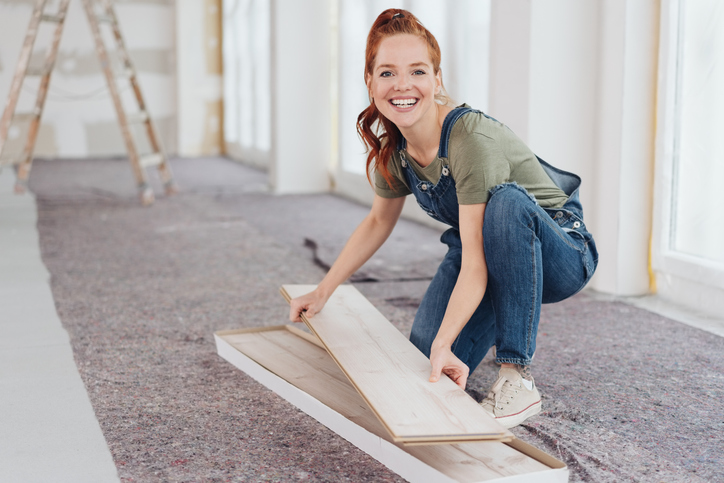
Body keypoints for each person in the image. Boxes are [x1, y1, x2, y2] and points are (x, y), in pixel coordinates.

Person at [288, 8, 598, 429]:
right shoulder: (393, 150)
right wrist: (323, 291)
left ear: (436, 80)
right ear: (370, 82)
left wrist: (446, 338)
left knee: (505, 202)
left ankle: (515, 377)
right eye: (387, 73)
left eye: (417, 71)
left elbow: (475, 260)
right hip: (487, 252)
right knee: (422, 361)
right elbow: (379, 222)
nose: (402, 85)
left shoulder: (470, 138)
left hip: (560, 250)